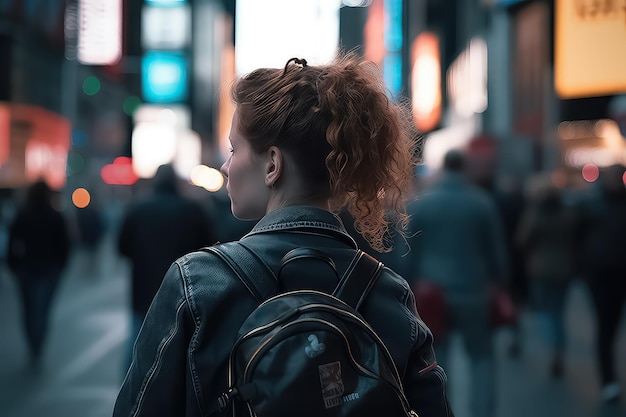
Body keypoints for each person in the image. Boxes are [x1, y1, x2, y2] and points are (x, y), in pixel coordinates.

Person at [113, 53, 453, 417]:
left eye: (234, 148)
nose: (226, 167)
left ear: (273, 164)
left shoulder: (196, 283)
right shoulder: (388, 291)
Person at [406, 149, 509, 417]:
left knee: (437, 359)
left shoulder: (423, 203)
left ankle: (443, 410)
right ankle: (483, 411)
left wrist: (409, 284)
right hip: (473, 289)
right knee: (481, 356)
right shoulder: (481, 202)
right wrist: (500, 282)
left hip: (432, 292)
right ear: (464, 169)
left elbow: (408, 250)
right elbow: (495, 250)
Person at [117, 163, 215, 370]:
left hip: (143, 289)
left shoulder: (137, 209)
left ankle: (131, 395)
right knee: (180, 348)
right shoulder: (192, 211)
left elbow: (123, 248)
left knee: (137, 344)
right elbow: (209, 247)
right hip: (184, 291)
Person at [515, 173, 582, 378]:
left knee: (545, 310)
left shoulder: (535, 214)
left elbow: (521, 239)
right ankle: (559, 349)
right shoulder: (568, 214)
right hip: (564, 269)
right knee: (559, 311)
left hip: (541, 269)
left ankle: (553, 345)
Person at [7, 180, 72, 367]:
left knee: (28, 308)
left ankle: (32, 342)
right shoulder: (55, 216)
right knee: (42, 310)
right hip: (49, 269)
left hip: (27, 268)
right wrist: (61, 265)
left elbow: (13, 241)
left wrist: (14, 265)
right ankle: (38, 344)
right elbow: (64, 244)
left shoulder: (23, 214)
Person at [579, 163, 626, 403]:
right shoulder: (592, 205)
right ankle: (609, 380)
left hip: (612, 272)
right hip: (602, 275)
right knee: (606, 329)